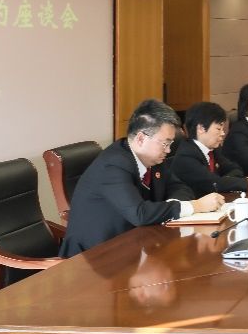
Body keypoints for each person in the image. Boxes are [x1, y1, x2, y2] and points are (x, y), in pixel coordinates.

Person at [59, 99, 224, 257]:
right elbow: (139, 213)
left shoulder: (153, 159)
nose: (168, 150)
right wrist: (194, 206)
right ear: (140, 138)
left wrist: (171, 206)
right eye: (165, 143)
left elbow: (180, 187)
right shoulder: (113, 164)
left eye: (170, 144)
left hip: (135, 244)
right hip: (93, 256)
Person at [167, 101, 248, 195]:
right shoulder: (186, 156)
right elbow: (214, 184)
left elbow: (236, 169)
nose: (223, 133)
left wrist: (224, 180)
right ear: (201, 128)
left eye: (223, 129)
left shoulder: (213, 149)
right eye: (218, 129)